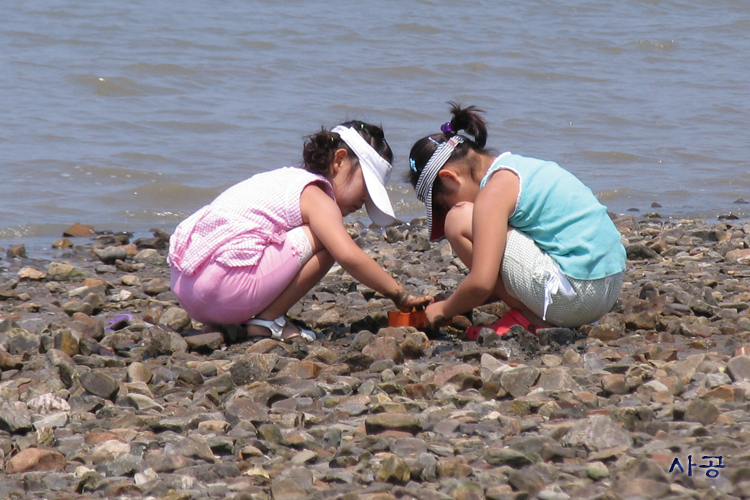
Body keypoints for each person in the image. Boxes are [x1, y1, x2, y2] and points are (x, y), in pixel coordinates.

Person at [169, 121, 433, 341]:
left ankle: (221, 323)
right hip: (224, 291)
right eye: (365, 189)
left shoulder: (283, 180)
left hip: (188, 289)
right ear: (340, 161)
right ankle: (266, 321)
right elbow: (349, 256)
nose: (363, 202)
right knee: (330, 242)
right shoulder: (316, 195)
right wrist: (399, 294)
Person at [407, 103, 626, 338]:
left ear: (449, 178)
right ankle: (532, 305)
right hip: (608, 286)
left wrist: (442, 310)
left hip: (577, 299)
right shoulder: (516, 167)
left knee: (458, 220)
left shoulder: (494, 192)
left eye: (442, 203)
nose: (449, 207)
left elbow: (482, 283)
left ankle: (530, 317)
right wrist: (462, 298)